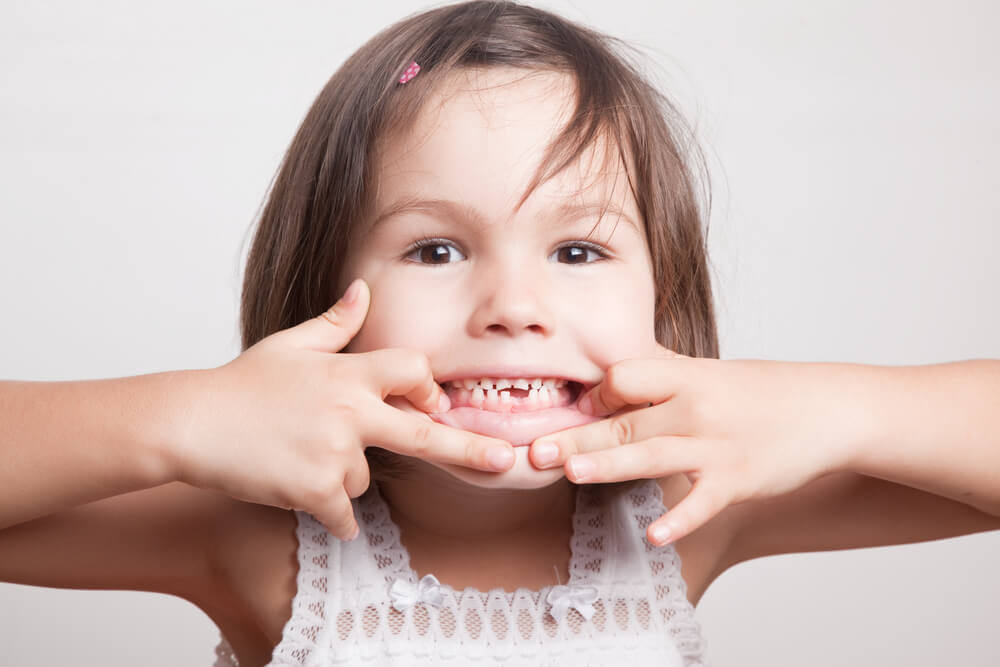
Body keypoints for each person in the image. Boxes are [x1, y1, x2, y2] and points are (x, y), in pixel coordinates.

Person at [2, 1, 999, 665]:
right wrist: (184, 415)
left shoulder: (684, 513)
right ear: (320, 293)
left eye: (577, 252)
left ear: (665, 297)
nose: (511, 306)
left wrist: (832, 409)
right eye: (435, 251)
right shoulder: (256, 537)